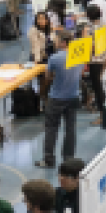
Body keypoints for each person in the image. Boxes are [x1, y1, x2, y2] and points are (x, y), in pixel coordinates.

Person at [35, 32, 83, 168]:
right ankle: (68, 159)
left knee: (51, 129)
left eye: (57, 41)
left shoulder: (54, 58)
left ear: (63, 43)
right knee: (70, 129)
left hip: (56, 97)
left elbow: (48, 76)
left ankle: (49, 159)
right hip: (73, 96)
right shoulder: (79, 56)